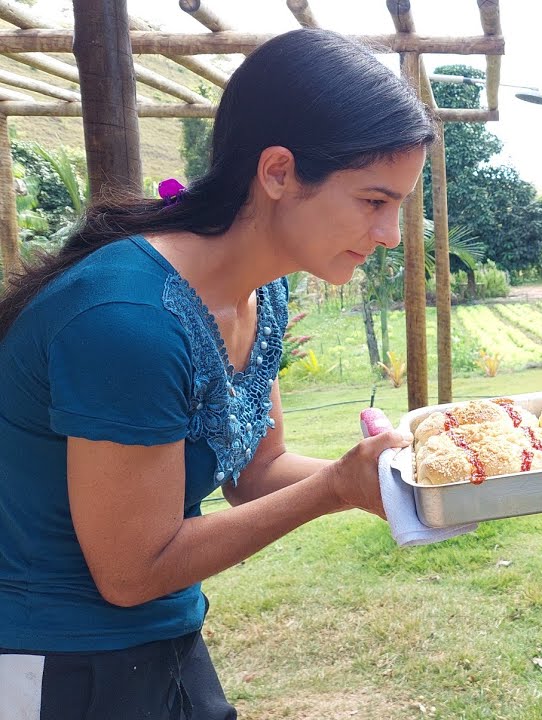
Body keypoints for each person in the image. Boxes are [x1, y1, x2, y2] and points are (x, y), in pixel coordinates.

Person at [0, 28, 431, 719]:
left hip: (164, 638)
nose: (389, 235)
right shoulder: (129, 321)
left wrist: (399, 477)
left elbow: (258, 471)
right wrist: (333, 489)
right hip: (56, 662)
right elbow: (131, 570)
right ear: (279, 172)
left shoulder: (264, 293)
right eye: (373, 201)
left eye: (399, 206)